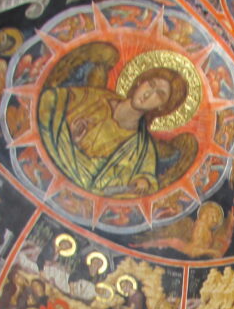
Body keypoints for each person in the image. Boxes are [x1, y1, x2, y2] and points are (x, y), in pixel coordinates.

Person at [38, 43, 194, 196]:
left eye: (159, 95)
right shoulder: (94, 97)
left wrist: (141, 182)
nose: (148, 94)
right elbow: (49, 100)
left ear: (162, 107)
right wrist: (66, 130)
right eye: (150, 84)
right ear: (139, 82)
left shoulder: (143, 150)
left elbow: (140, 185)